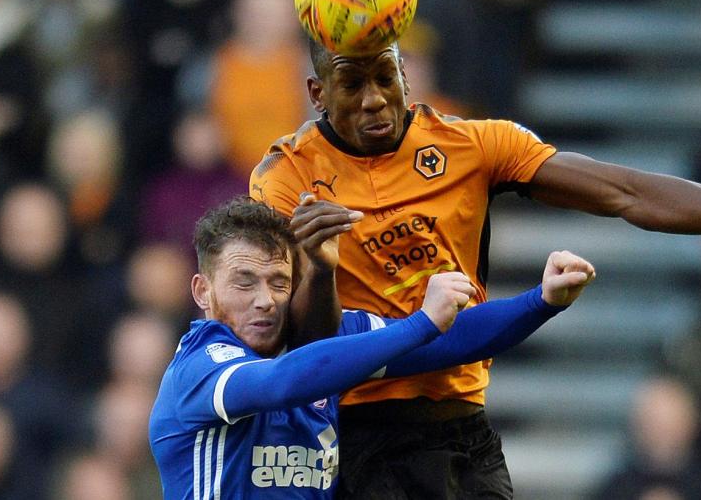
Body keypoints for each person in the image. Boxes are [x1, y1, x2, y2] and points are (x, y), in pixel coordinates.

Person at [248, 38, 701, 498]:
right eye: (351, 83)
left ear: (407, 75)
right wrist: (317, 266)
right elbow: (307, 355)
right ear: (316, 91)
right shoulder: (285, 180)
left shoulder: (473, 147)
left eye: (385, 76)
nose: (373, 100)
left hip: (459, 431)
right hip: (352, 438)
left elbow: (626, 191)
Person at [149, 195, 595, 498]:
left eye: (278, 282)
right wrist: (419, 323)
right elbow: (281, 383)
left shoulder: (327, 348)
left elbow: (451, 341)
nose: (264, 299)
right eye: (243, 282)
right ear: (202, 291)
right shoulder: (200, 367)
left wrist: (541, 301)